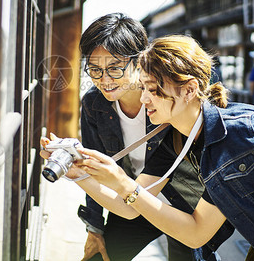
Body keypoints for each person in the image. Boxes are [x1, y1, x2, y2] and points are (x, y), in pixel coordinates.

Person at [43, 34, 254, 260]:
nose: (144, 99)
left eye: (154, 90)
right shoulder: (175, 138)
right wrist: (82, 175)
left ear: (189, 90)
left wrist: (122, 181)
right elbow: (132, 207)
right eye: (142, 88)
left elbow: (196, 232)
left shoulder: (239, 134)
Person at [77, 14, 229, 261]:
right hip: (132, 196)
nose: (104, 80)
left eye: (114, 68)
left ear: (139, 62)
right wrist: (94, 227)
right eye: (94, 69)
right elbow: (93, 168)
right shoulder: (95, 105)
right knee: (100, 257)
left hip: (183, 202)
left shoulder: (170, 100)